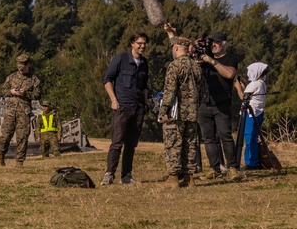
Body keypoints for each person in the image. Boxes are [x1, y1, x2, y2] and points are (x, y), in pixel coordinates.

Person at [164, 26, 242, 180]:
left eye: (217, 42)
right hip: (203, 103)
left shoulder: (229, 58)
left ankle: (232, 168)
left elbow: (230, 74)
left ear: (224, 44)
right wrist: (172, 34)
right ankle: (214, 168)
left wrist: (211, 61)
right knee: (208, 138)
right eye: (212, 42)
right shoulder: (201, 57)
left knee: (224, 135)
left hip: (221, 104)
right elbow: (180, 50)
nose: (214, 45)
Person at [102, 32, 150, 185]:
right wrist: (113, 100)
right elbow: (107, 80)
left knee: (131, 144)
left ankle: (126, 176)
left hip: (138, 109)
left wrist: (146, 103)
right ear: (132, 43)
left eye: (144, 43)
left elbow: (144, 87)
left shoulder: (144, 63)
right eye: (139, 43)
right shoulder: (120, 59)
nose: (142, 46)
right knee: (117, 142)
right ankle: (109, 174)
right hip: (122, 107)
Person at [158, 37, 203, 187]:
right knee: (190, 144)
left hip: (175, 113)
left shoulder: (174, 66)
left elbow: (169, 92)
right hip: (192, 112)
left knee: (173, 143)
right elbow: (201, 91)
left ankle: (173, 178)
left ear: (176, 48)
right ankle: (189, 177)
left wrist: (163, 110)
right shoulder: (196, 67)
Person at [0, 53, 41, 168]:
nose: (20, 68)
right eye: (19, 66)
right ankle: (1, 153)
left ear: (28, 65)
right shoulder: (11, 77)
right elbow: (3, 90)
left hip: (24, 112)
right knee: (6, 135)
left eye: (23, 66)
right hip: (11, 111)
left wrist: (25, 93)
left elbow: (38, 95)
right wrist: (11, 92)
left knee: (22, 137)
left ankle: (19, 161)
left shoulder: (34, 79)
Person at [240, 62, 269, 169]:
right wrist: (244, 87)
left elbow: (243, 98)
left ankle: (251, 162)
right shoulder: (262, 83)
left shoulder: (254, 84)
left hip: (251, 114)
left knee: (249, 137)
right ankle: (253, 161)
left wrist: (238, 87)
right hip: (258, 113)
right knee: (253, 137)